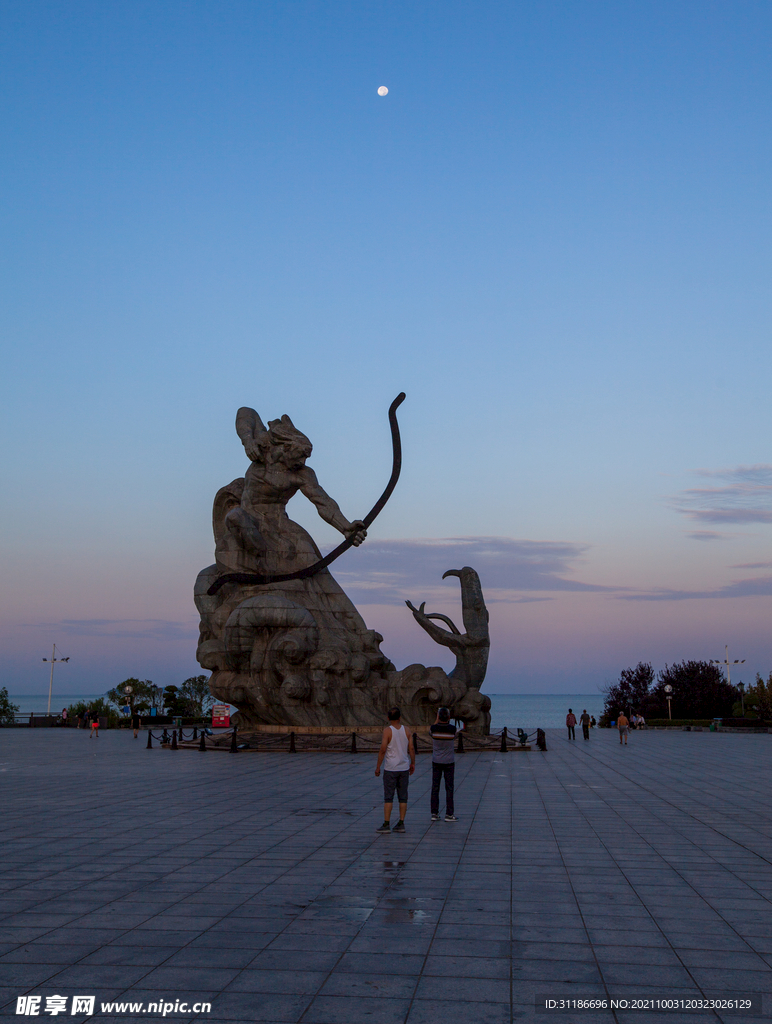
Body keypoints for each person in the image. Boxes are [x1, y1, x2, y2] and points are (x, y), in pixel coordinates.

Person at [374, 706, 414, 833]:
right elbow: (411, 749)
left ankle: (386, 824)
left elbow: (383, 749)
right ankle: (401, 823)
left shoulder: (387, 731)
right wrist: (412, 763)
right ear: (400, 717)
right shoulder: (407, 730)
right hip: (403, 767)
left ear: (388, 718)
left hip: (391, 768)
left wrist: (378, 766)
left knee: (388, 797)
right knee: (403, 797)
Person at [430, 707, 458, 822]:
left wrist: (437, 719)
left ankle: (434, 813)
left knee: (435, 787)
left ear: (438, 717)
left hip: (436, 761)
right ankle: (449, 814)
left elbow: (430, 732)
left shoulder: (433, 729)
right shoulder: (452, 729)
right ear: (449, 717)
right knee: (449, 788)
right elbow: (455, 736)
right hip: (449, 762)